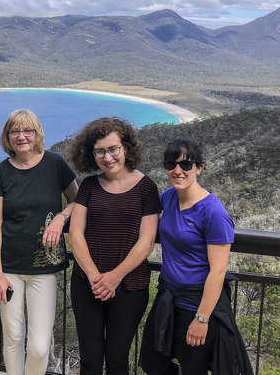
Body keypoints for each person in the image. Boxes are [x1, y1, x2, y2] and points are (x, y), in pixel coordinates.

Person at [139, 139, 252, 375]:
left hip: (195, 304)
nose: (177, 170)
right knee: (152, 362)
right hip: (168, 297)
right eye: (171, 164)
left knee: (193, 368)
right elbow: (140, 211)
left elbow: (218, 271)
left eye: (186, 165)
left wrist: (202, 319)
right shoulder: (169, 197)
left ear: (199, 168)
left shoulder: (213, 212)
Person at [66, 117, 161, 375]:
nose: (107, 157)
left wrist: (114, 277)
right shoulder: (89, 186)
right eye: (100, 151)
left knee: (117, 360)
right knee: (90, 361)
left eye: (113, 149)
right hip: (87, 285)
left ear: (126, 149)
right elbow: (76, 235)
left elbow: (146, 242)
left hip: (130, 287)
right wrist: (95, 277)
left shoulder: (147, 188)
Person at [0, 109, 78, 375]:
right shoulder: (1, 172)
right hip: (9, 268)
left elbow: (78, 199)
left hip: (44, 267)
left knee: (39, 347)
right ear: (7, 136)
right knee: (13, 337)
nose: (21, 136)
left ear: (37, 133)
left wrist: (61, 218)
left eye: (27, 130)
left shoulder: (54, 164)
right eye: (14, 131)